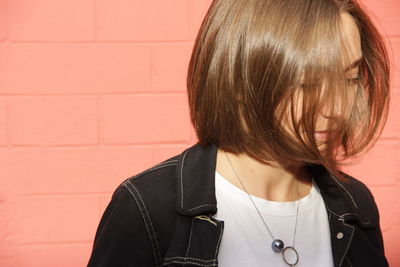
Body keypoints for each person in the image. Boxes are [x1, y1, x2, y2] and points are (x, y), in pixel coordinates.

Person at [87, 0, 390, 266]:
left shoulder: (354, 206)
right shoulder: (148, 210)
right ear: (241, 80)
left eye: (349, 79)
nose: (336, 108)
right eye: (307, 83)